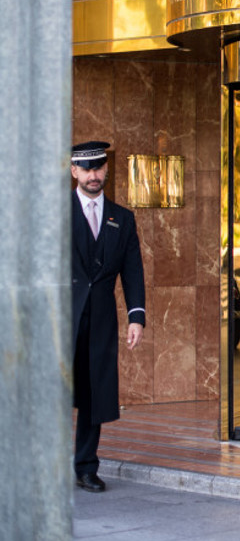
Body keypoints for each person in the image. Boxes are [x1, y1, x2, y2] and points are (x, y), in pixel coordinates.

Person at [70, 141, 146, 493]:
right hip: (60, 319)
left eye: (99, 168)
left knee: (93, 393)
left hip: (101, 320)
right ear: (74, 172)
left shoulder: (122, 218)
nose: (94, 175)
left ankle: (86, 467)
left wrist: (136, 316)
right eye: (87, 169)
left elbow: (132, 271)